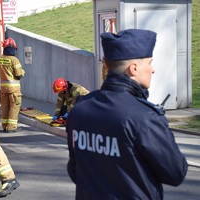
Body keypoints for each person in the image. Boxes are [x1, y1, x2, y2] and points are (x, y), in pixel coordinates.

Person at [66, 29, 188, 200]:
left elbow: (74, 170)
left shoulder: (80, 109)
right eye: (150, 63)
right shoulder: (144, 117)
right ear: (134, 68)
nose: (152, 70)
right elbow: (175, 172)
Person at [0, 37, 25, 133]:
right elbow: (19, 75)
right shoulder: (14, 60)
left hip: (3, 89)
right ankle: (11, 127)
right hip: (14, 89)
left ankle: (4, 126)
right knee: (14, 107)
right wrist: (23, 72)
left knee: (5, 107)